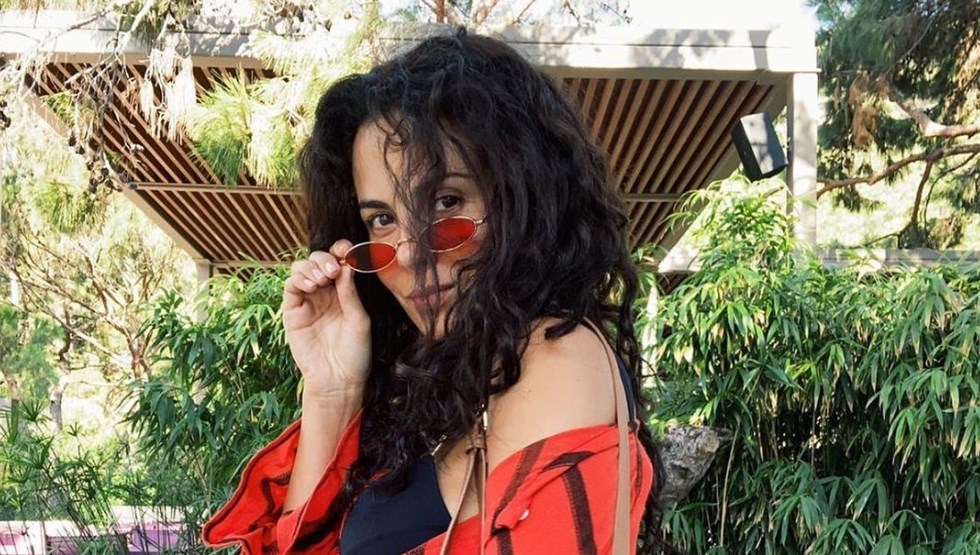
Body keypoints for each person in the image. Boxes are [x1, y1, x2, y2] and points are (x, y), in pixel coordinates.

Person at [201, 28, 662, 555]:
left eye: (446, 202)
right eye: (381, 219)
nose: (410, 255)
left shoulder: (556, 355)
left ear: (524, 201)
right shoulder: (459, 387)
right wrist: (331, 390)